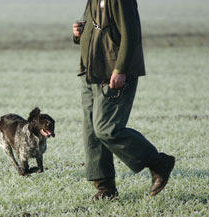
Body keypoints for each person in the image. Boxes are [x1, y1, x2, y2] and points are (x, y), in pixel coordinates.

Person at [72, 0, 175, 199]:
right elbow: (98, 31)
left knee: (106, 128)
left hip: (113, 74)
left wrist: (121, 70)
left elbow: (131, 33)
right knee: (91, 132)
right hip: (91, 71)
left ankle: (158, 162)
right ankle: (105, 188)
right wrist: (78, 34)